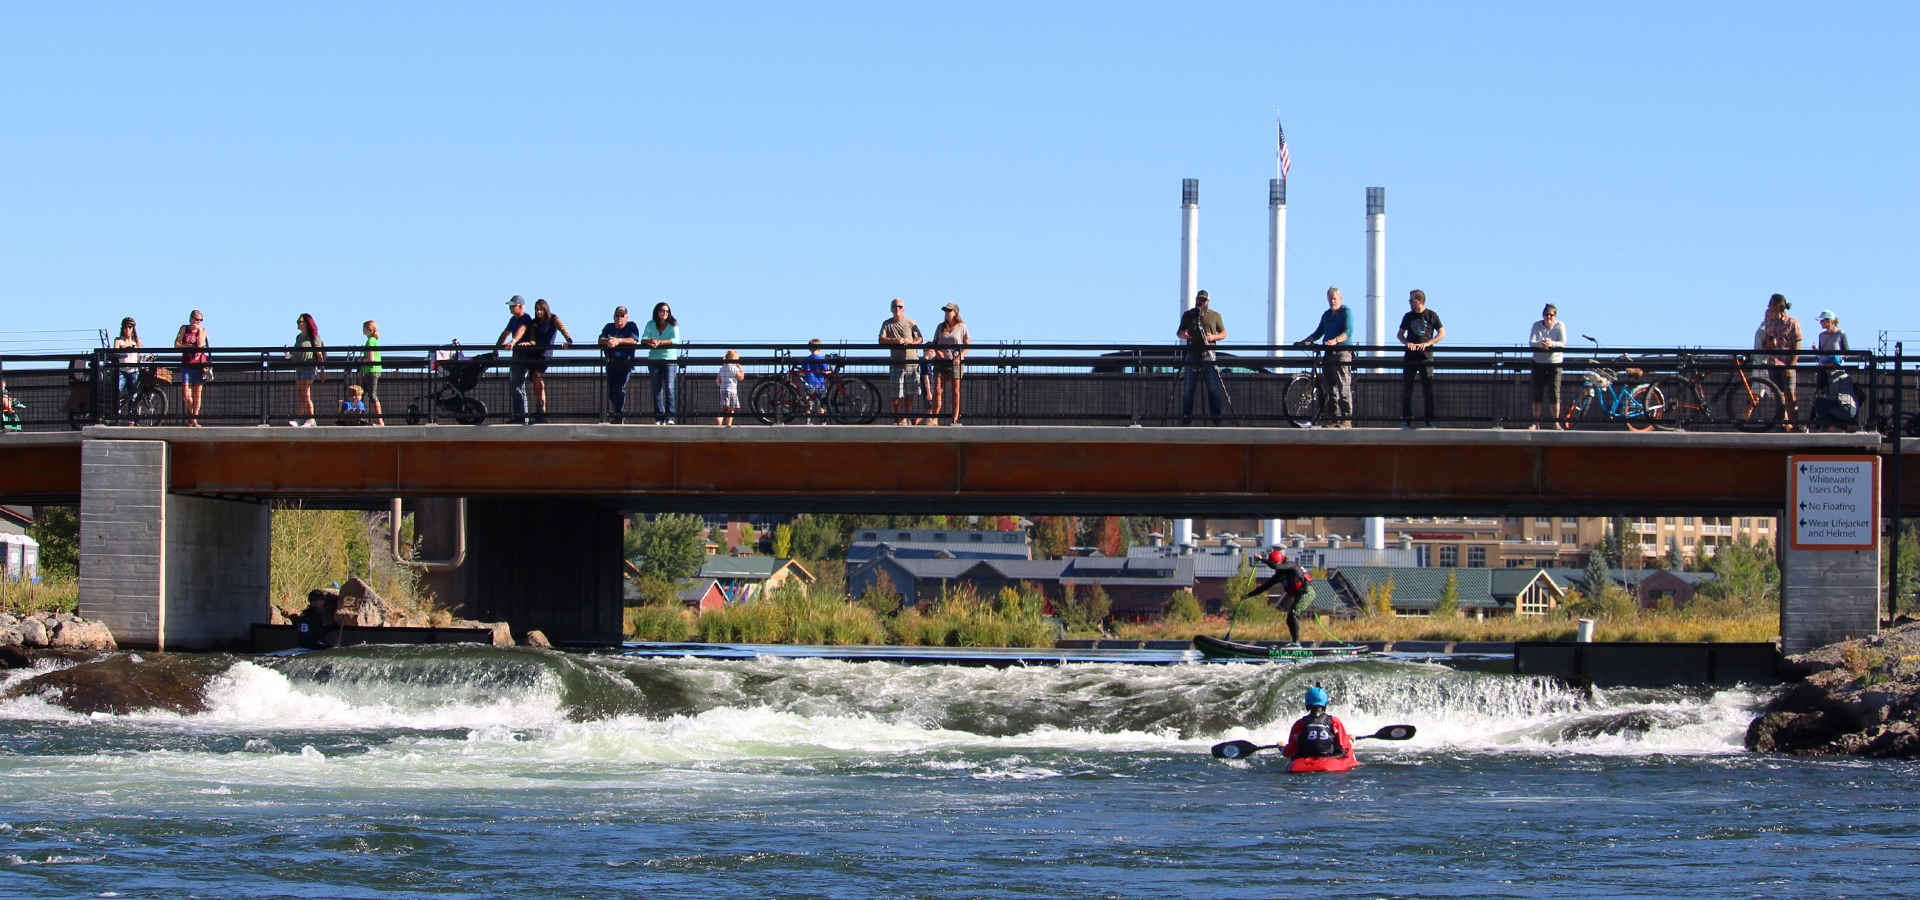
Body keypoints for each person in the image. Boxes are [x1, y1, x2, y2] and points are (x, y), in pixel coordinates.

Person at [1297, 287, 1354, 427]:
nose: (1332, 301)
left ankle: (1346, 419)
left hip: (1341, 353)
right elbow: (1318, 332)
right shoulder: (1326, 315)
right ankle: (1334, 419)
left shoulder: (1347, 312)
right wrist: (1304, 341)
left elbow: (1348, 331)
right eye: (1330, 299)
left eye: (1334, 298)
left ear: (1340, 298)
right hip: (1328, 355)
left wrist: (1335, 340)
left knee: (1343, 386)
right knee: (1331, 389)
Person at [1241, 548, 1315, 644]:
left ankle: (1296, 643)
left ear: (1281, 561)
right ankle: (1295, 642)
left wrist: (1261, 559)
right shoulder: (1280, 575)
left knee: (1293, 615)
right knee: (1289, 619)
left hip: (1307, 592)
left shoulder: (1291, 565)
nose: (1275, 565)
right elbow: (1265, 586)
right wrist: (1248, 595)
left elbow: (1276, 567)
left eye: (1276, 563)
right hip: (1299, 594)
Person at [1177, 289, 1227, 426]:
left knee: (1213, 388)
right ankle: (1185, 421)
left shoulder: (1215, 315)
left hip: (1208, 354)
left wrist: (1212, 337)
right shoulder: (1189, 315)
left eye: (1203, 300)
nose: (1201, 302)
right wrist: (1184, 335)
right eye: (1199, 299)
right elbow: (1179, 332)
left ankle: (1217, 421)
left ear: (1208, 301)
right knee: (1188, 390)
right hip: (1192, 353)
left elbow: (1223, 333)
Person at [519, 299, 573, 423]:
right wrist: (529, 343)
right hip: (534, 354)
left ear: (545, 309)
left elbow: (562, 329)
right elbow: (533, 339)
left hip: (545, 355)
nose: (538, 312)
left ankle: (541, 411)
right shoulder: (534, 323)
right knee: (534, 379)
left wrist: (568, 340)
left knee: (537, 376)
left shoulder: (553, 319)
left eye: (541, 309)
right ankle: (539, 411)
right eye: (537, 309)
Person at [1397, 289, 1445, 428]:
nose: (1410, 303)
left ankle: (1429, 419)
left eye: (1412, 300)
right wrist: (1407, 343)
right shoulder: (1408, 316)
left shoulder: (1431, 315)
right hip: (1410, 358)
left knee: (1428, 390)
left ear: (1420, 301)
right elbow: (1400, 334)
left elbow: (1442, 333)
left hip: (1426, 358)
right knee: (1407, 389)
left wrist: (1428, 343)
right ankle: (1406, 418)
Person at [1759, 294, 1803, 431]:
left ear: (1778, 305)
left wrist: (1792, 364)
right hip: (1773, 364)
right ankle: (1785, 424)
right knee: (1778, 396)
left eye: (1771, 304)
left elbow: (1797, 344)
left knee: (1790, 394)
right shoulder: (1770, 324)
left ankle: (1795, 423)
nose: (1769, 307)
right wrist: (1769, 345)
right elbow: (1764, 344)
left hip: (1787, 364)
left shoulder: (1792, 323)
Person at [878, 298, 925, 425]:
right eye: (895, 306)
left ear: (903, 308)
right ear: (891, 308)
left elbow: (920, 338)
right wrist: (895, 340)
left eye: (899, 306)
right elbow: (881, 340)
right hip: (896, 363)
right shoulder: (887, 324)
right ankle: (896, 417)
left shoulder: (910, 322)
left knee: (910, 393)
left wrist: (912, 343)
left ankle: (905, 417)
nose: (897, 309)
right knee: (896, 393)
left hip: (912, 363)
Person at [1281, 686, 1354, 762]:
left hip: (1305, 761)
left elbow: (1290, 751)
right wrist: (1351, 739)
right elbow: (1345, 747)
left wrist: (1281, 747)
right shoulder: (1334, 721)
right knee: (1349, 739)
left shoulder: (1299, 724)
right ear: (1324, 703)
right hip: (1330, 759)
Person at [599, 306, 641, 423]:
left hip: (625, 364)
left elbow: (633, 340)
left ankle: (619, 415)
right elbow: (600, 339)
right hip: (611, 364)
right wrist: (608, 341)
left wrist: (619, 341)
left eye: (622, 316)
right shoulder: (609, 327)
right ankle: (617, 413)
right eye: (617, 315)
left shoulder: (631, 326)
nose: (619, 318)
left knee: (619, 388)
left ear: (626, 317)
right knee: (612, 392)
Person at [496, 296, 534, 423]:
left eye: (513, 306)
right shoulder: (513, 319)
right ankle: (519, 415)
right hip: (516, 356)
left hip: (523, 356)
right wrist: (496, 348)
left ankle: (522, 417)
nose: (510, 308)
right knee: (515, 386)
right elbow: (505, 333)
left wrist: (513, 341)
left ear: (521, 306)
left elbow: (521, 330)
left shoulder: (525, 318)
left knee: (518, 386)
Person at [641, 302, 680, 424]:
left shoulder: (673, 325)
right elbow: (643, 339)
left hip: (670, 359)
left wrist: (661, 342)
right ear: (657, 311)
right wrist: (651, 342)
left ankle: (670, 417)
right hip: (654, 359)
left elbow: (675, 340)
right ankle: (659, 417)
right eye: (662, 310)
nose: (664, 313)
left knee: (669, 388)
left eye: (667, 311)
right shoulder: (650, 324)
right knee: (656, 389)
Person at [1528, 304, 1567, 429]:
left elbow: (1563, 343)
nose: (1548, 317)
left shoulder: (1560, 325)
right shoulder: (1536, 325)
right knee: (1537, 393)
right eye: (1546, 314)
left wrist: (1551, 344)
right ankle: (1536, 422)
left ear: (1555, 316)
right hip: (1538, 363)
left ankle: (1556, 422)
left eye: (1551, 315)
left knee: (1554, 393)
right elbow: (1531, 342)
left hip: (1555, 363)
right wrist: (1542, 344)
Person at [931, 303, 970, 426]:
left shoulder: (962, 327)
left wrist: (960, 356)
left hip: (955, 362)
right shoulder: (941, 327)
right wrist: (937, 351)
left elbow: (967, 344)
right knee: (938, 389)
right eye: (946, 311)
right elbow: (935, 342)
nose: (947, 313)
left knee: (955, 391)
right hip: (940, 362)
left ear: (955, 313)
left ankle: (955, 418)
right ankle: (935, 418)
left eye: (949, 310)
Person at [289, 313, 326, 427]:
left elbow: (319, 354)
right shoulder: (299, 337)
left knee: (303, 392)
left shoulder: (314, 337)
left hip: (309, 366)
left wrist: (322, 370)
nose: (298, 324)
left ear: (306, 323)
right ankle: (311, 419)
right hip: (299, 367)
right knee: (303, 394)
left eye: (300, 321)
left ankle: (300, 418)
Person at [174, 310, 210, 427]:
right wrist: (188, 346)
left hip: (199, 364)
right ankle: (192, 415)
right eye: (196, 319)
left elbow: (199, 345)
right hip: (186, 363)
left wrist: (199, 330)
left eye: (200, 320)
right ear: (191, 319)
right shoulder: (184, 328)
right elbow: (177, 344)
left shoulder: (203, 331)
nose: (198, 322)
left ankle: (194, 419)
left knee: (197, 393)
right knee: (186, 394)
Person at [1811, 358, 1858, 433]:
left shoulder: (1834, 375)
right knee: (1831, 408)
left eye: (1827, 363)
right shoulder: (1845, 375)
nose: (1825, 365)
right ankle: (1845, 425)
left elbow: (1832, 397)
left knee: (1818, 402)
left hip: (1844, 408)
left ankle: (1830, 427)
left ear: (1832, 364)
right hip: (1853, 410)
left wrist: (1822, 396)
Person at [1814, 310, 1850, 395]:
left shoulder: (1841, 334)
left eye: (1822, 321)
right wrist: (1815, 350)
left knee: (1834, 392)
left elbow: (1847, 352)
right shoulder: (1821, 335)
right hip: (1823, 368)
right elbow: (1821, 352)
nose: (1820, 323)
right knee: (1821, 391)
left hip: (1836, 370)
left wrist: (1837, 359)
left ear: (1829, 321)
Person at [111, 317, 141, 416]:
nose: (127, 329)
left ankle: (131, 419)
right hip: (122, 370)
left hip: (133, 370)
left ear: (133, 329)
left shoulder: (136, 342)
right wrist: (122, 349)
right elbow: (114, 353)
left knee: (133, 395)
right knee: (116, 390)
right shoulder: (119, 340)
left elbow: (138, 355)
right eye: (125, 327)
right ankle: (114, 412)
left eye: (129, 327)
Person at [359, 320, 384, 426]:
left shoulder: (370, 342)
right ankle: (359, 417)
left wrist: (360, 361)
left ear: (368, 329)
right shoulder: (373, 341)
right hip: (372, 370)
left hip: (371, 371)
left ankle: (380, 420)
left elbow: (371, 358)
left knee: (372, 395)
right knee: (361, 393)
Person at [799, 338, 830, 422]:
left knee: (809, 405)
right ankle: (822, 422)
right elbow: (826, 371)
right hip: (820, 386)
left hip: (809, 385)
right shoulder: (822, 360)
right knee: (821, 405)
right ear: (819, 349)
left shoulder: (806, 360)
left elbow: (803, 373)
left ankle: (808, 421)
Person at [716, 350, 744, 426]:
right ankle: (728, 424)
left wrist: (720, 385)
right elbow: (741, 377)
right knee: (731, 409)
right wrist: (741, 369)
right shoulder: (734, 368)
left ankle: (721, 418)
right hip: (732, 390)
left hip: (723, 390)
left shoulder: (722, 368)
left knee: (726, 408)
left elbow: (718, 380)